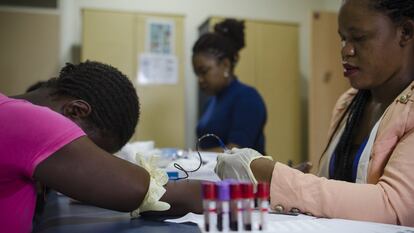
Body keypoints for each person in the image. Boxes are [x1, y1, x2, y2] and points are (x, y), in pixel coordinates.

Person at [215, 0, 414, 226]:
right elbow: (336, 187)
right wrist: (298, 180)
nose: (346, 50)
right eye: (343, 38)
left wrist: (276, 178)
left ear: (405, 33)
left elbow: (395, 208)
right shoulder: (349, 103)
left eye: (358, 38)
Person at [0, 61, 202, 233]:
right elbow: (150, 193)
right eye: (85, 148)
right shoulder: (30, 122)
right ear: (76, 110)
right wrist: (225, 189)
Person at [192, 18, 267, 154]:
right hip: (213, 173)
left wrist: (194, 155)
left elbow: (236, 150)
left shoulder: (247, 97)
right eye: (197, 74)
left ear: (225, 65)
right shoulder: (211, 102)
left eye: (204, 71)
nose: (200, 80)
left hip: (243, 175)